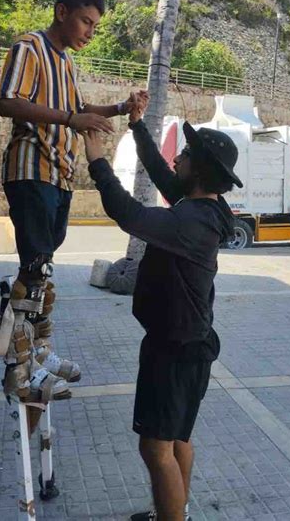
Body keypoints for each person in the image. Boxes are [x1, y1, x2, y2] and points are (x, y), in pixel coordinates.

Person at [83, 104, 242, 521]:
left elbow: (127, 213)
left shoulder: (189, 222)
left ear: (201, 169)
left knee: (155, 448)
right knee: (176, 440)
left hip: (173, 351)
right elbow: (157, 170)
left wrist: (96, 157)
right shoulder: (205, 208)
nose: (177, 158)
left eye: (185, 154)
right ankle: (173, 513)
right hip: (191, 346)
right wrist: (136, 125)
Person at [0, 0, 146, 400]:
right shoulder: (29, 47)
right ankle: (20, 372)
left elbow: (80, 111)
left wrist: (120, 108)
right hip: (32, 170)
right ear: (62, 12)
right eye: (85, 21)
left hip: (59, 175)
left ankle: (38, 353)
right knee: (32, 275)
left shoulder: (64, 62)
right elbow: (8, 101)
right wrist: (68, 119)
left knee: (43, 273)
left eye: (95, 26)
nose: (89, 31)